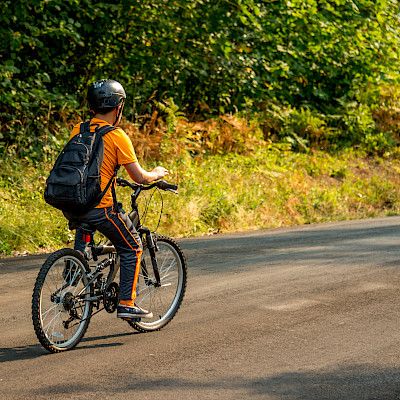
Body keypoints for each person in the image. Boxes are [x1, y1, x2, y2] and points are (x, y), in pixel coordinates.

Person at [65, 79, 169, 320]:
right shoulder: (116, 135)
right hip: (100, 208)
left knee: (86, 227)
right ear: (118, 106)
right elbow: (140, 177)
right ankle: (126, 302)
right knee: (132, 245)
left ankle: (73, 272)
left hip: (73, 204)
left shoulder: (78, 129)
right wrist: (157, 173)